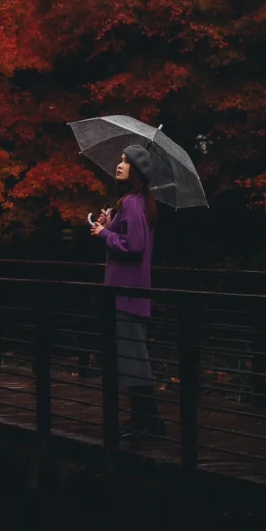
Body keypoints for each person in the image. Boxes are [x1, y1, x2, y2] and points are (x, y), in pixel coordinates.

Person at [90, 145, 161, 438]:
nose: (119, 165)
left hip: (127, 294)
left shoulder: (132, 203)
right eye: (120, 160)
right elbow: (130, 238)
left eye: (126, 161)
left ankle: (150, 423)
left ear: (138, 169)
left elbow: (135, 246)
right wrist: (108, 226)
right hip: (131, 293)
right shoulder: (135, 201)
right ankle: (143, 420)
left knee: (134, 359)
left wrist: (104, 233)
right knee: (133, 358)